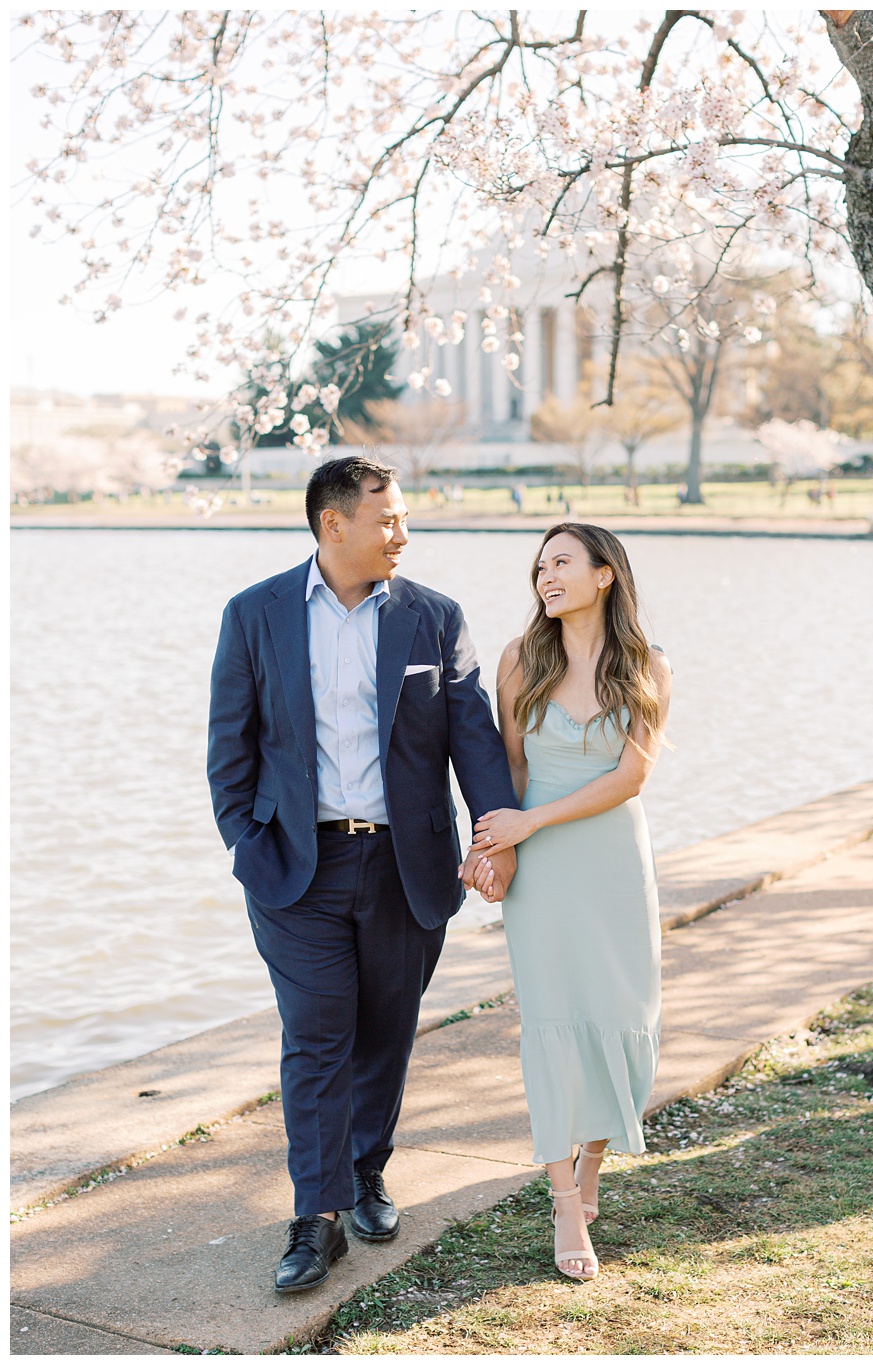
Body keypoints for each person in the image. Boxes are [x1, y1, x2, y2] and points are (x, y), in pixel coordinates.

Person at [207, 456, 518, 1294]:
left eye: (403, 518)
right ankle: (317, 1215)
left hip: (405, 864)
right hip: (294, 868)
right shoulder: (254, 614)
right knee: (316, 1035)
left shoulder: (434, 617)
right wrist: (246, 842)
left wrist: (496, 839)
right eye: (388, 520)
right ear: (332, 524)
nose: (402, 534)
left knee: (385, 1028)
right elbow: (228, 750)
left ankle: (367, 1170)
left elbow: (474, 742)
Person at [466, 522, 672, 1282]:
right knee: (552, 1023)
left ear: (604, 574)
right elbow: (510, 768)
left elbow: (631, 778)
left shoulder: (649, 665)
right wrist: (492, 843)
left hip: (615, 860)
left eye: (562, 562)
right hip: (544, 872)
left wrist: (533, 820)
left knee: (624, 1017)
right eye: (539, 566)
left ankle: (591, 1164)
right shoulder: (523, 660)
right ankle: (562, 1199)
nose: (547, 576)